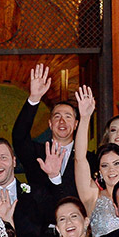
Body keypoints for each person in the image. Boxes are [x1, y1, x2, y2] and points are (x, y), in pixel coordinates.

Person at [12, 63, 82, 196]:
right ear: (50, 124)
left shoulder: (85, 157)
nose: (62, 121)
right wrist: (34, 98)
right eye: (57, 116)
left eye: (68, 116)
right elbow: (19, 136)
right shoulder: (36, 153)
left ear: (76, 124)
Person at [69, 86, 119, 237]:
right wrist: (85, 117)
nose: (111, 170)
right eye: (105, 166)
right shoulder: (92, 196)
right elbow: (80, 158)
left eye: (116, 163)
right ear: (99, 171)